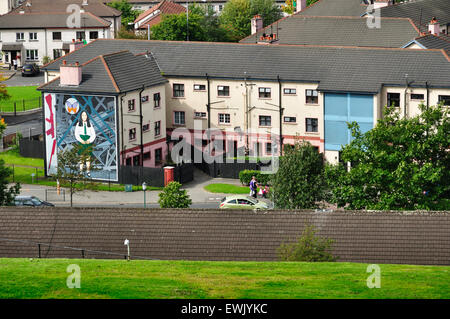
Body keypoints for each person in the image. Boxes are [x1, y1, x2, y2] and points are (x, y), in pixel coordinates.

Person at [74, 111, 96, 177]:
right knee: (82, 157)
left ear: (87, 116)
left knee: (88, 158)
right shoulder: (78, 124)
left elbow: (93, 134)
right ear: (81, 116)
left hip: (88, 142)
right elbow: (76, 134)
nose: (84, 117)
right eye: (83, 115)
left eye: (85, 115)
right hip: (81, 142)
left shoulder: (90, 124)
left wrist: (89, 140)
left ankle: (88, 171)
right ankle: (81, 172)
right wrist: (81, 140)